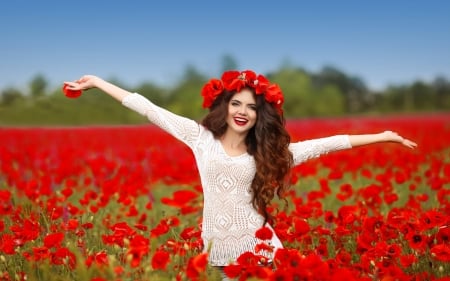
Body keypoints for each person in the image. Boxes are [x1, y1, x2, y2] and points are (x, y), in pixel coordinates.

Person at [64, 70, 416, 276]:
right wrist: (98, 81)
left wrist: (382, 137)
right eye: (236, 103)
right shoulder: (199, 139)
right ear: (225, 106)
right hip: (218, 248)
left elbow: (328, 144)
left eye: (251, 107)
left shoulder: (268, 153)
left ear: (259, 115)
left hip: (261, 246)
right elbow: (148, 109)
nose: (243, 111)